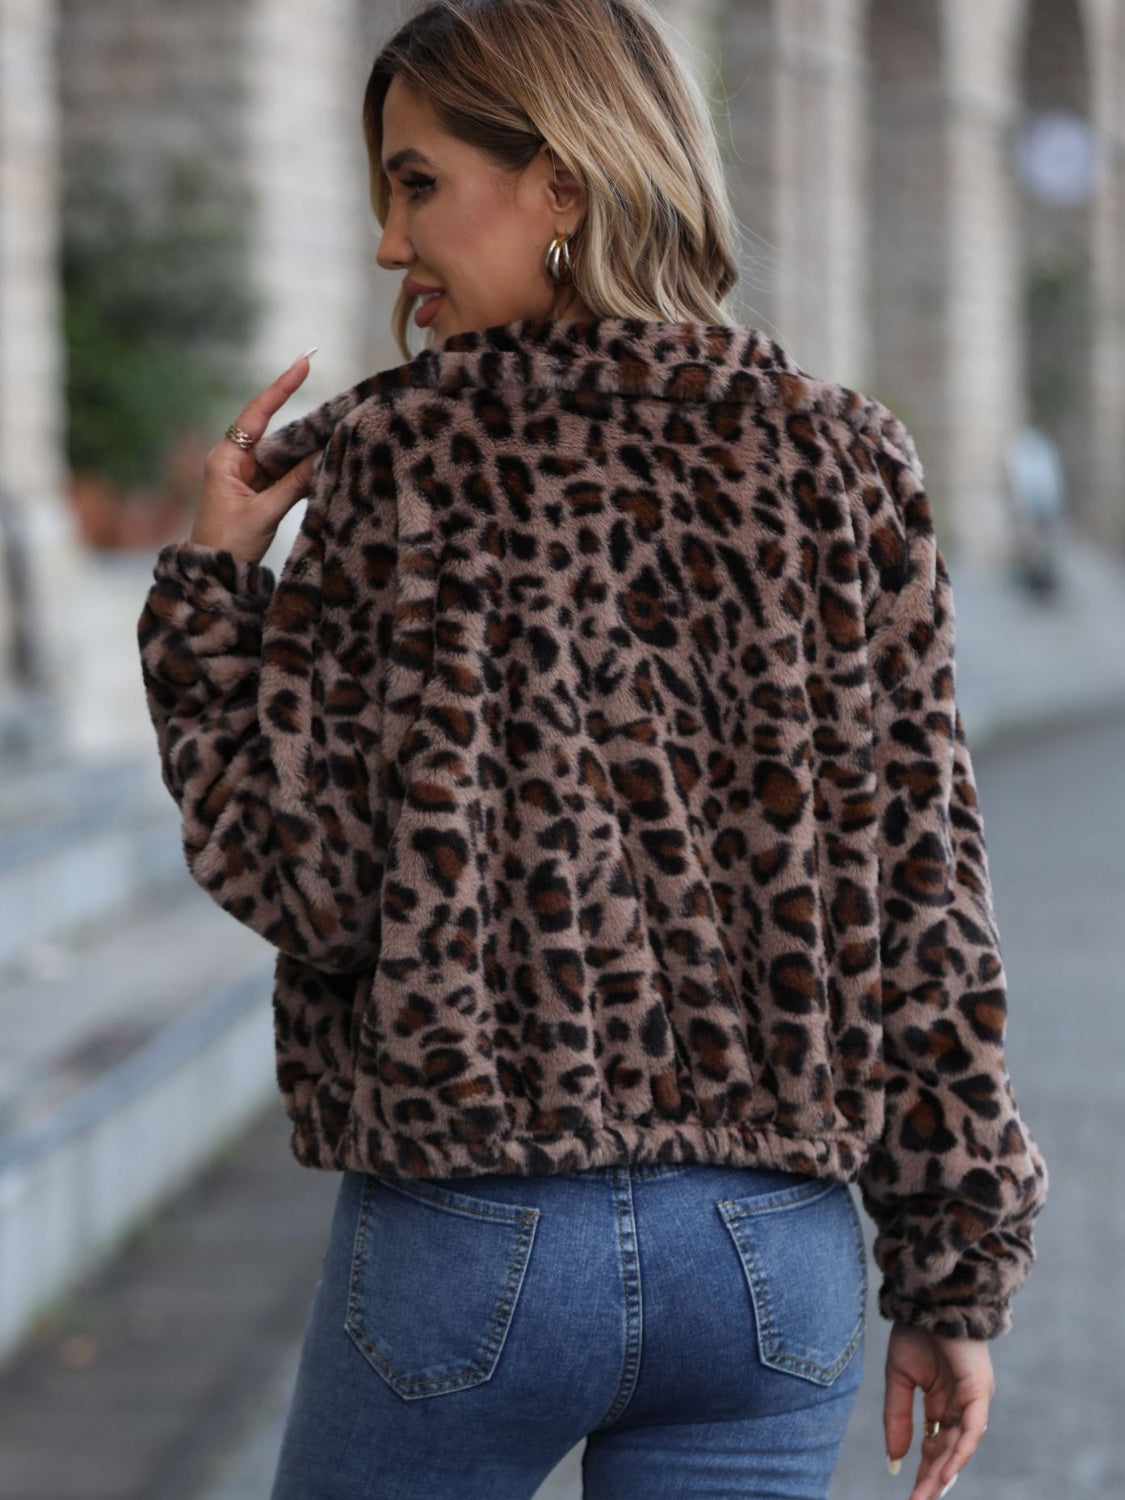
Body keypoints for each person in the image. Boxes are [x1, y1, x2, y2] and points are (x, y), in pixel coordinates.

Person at [135, 2, 1048, 1497]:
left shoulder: (396, 462)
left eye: (416, 183)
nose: (388, 243)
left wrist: (212, 597)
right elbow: (925, 899)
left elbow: (308, 887)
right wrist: (954, 1277)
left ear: (561, 181)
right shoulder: (845, 459)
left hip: (474, 1240)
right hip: (769, 1261)